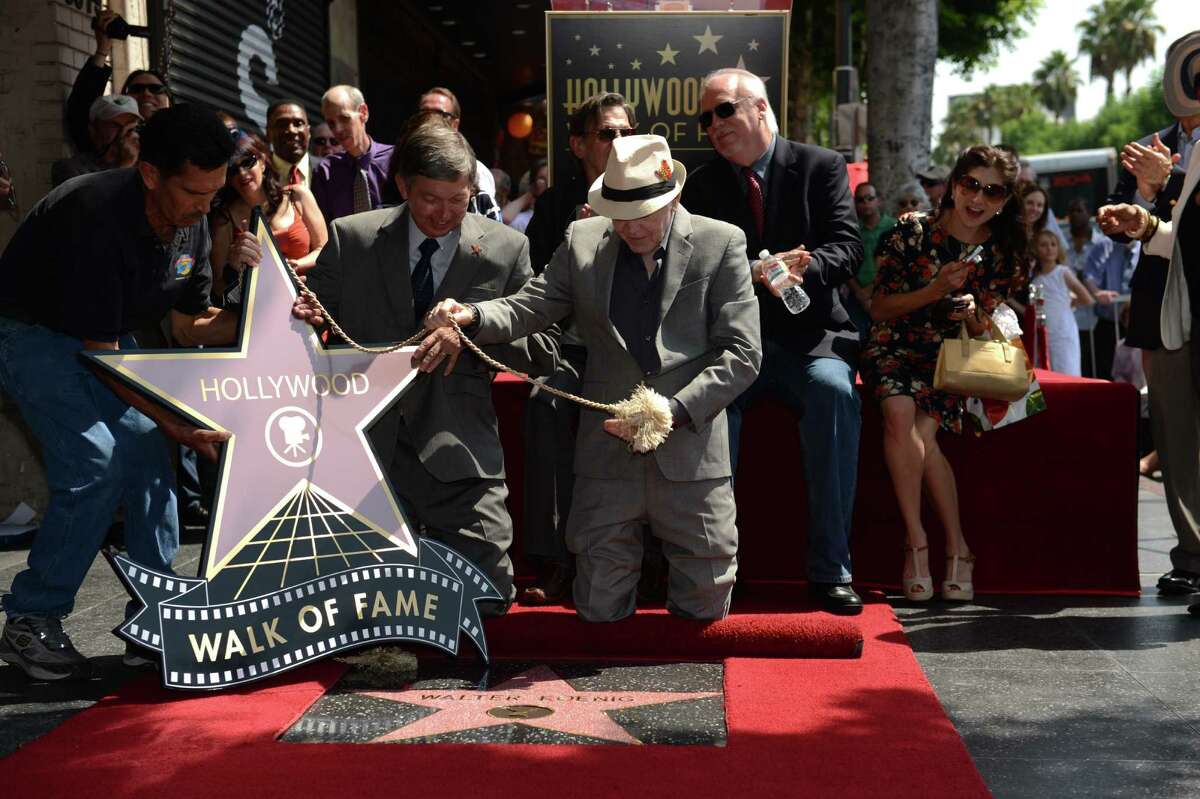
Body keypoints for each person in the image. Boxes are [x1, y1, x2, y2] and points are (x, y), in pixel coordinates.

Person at [422, 134, 762, 622]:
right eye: (619, 214)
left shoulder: (721, 241)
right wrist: (471, 315)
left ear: (674, 198)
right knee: (598, 609)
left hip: (691, 454)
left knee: (704, 611)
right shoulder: (583, 240)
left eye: (643, 212)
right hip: (607, 453)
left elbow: (744, 352)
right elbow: (531, 304)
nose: (630, 227)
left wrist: (677, 409)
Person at [0, 105, 260, 680]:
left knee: (146, 453)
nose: (206, 206)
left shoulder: (192, 219)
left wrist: (261, 305)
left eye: (216, 191)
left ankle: (158, 614)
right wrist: (178, 421)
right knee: (95, 463)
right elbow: (103, 355)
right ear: (150, 174)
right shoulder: (93, 213)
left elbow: (192, 326)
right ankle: (31, 618)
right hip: (33, 335)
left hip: (104, 340)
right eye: (195, 192)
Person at [292, 123, 558, 610]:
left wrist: (474, 332)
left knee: (489, 603)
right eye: (431, 199)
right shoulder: (352, 239)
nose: (445, 214)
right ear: (403, 186)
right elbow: (308, 334)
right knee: (367, 612)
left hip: (462, 453)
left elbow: (544, 347)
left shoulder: (505, 249)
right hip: (366, 450)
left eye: (459, 199)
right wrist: (302, 318)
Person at [681, 67, 865, 615]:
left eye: (723, 111)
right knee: (710, 411)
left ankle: (832, 569)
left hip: (814, 342)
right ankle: (713, 569)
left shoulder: (821, 166)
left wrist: (804, 267)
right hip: (736, 346)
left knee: (834, 393)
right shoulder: (702, 183)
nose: (712, 125)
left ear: (760, 108)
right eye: (705, 117)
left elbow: (849, 249)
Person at [861, 144, 1028, 603]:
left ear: (1005, 201)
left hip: (952, 356)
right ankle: (919, 544)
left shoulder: (1003, 252)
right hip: (893, 346)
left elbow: (985, 330)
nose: (978, 198)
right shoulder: (909, 231)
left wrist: (972, 313)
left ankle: (957, 548)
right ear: (954, 184)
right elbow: (879, 307)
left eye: (993, 192)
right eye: (971, 184)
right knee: (899, 416)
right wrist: (934, 289)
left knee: (922, 434)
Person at [518, 92, 638, 605]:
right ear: (578, 144)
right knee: (545, 405)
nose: (619, 143)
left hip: (642, 354)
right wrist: (579, 233)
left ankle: (649, 555)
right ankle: (554, 561)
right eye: (608, 133)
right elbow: (539, 296)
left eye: (627, 133)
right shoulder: (554, 205)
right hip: (576, 350)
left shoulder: (657, 190)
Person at [1097, 29, 1200, 601]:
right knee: (1174, 433)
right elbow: (1130, 221)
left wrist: (1170, 183)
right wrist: (1127, 210)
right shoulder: (1145, 146)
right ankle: (1190, 556)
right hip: (1164, 308)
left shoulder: (1166, 159)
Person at [211, 132, 326, 293]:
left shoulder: (298, 195)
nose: (242, 173)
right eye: (233, 169)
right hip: (258, 306)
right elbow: (217, 285)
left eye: (247, 162)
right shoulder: (224, 219)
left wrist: (293, 266)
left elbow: (325, 249)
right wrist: (233, 265)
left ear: (263, 162)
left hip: (309, 298)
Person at [66, 9, 171, 158]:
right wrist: (102, 50)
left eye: (155, 89)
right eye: (137, 89)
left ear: (168, 99)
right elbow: (81, 109)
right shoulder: (110, 140)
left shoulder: (181, 137)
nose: (146, 94)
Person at [311, 85, 395, 224]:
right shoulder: (325, 172)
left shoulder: (394, 159)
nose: (337, 129)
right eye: (331, 123)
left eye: (344, 118)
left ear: (363, 113)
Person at [418, 87, 501, 222]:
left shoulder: (476, 171)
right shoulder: (402, 162)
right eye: (424, 113)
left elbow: (483, 226)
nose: (430, 120)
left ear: (455, 124)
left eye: (439, 114)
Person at [1032, 229, 1093, 376]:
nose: (1049, 249)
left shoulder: (1062, 272)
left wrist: (1069, 303)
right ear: (1035, 249)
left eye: (1053, 244)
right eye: (1044, 245)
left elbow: (1087, 298)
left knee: (1067, 371)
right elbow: (1033, 311)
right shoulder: (1034, 279)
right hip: (1043, 333)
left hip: (1063, 331)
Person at [51, 95, 142, 187]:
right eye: (115, 125)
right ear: (93, 130)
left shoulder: (146, 167)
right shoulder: (71, 169)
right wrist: (125, 167)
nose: (124, 132)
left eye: (131, 127)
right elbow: (95, 200)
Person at [1081, 235, 1135, 379]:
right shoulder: (1105, 245)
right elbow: (1089, 276)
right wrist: (1097, 292)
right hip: (1109, 325)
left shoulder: (1148, 246)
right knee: (1105, 376)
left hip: (1137, 326)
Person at [847, 181, 896, 342]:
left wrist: (869, 291)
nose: (866, 203)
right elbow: (845, 263)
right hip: (857, 298)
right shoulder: (851, 230)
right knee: (859, 343)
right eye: (861, 200)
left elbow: (894, 263)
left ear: (878, 200)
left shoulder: (893, 226)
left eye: (870, 198)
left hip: (888, 294)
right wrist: (860, 294)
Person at [266, 99, 319, 189]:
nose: (292, 130)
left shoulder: (329, 171)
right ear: (268, 133)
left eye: (298, 124)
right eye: (282, 124)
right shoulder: (257, 175)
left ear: (309, 132)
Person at [502, 160, 547, 232]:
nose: (548, 183)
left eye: (550, 177)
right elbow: (503, 218)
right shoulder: (521, 222)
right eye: (542, 179)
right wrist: (531, 192)